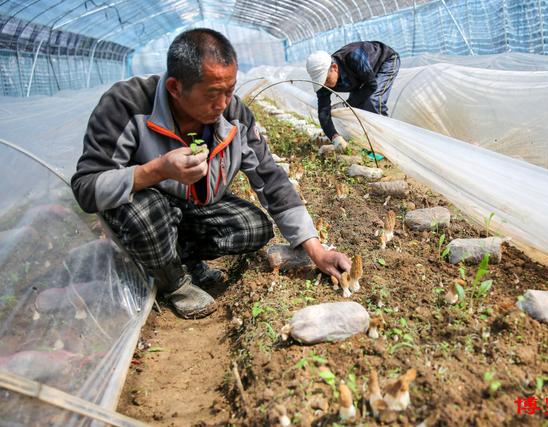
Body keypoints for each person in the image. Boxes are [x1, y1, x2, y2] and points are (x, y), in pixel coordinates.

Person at [72, 28, 351, 319]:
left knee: (253, 227)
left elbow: (270, 178)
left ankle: (184, 259)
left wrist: (316, 250)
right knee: (148, 212)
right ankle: (174, 283)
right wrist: (156, 170)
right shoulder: (127, 104)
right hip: (145, 207)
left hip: (193, 207)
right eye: (212, 94)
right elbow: (86, 188)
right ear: (175, 88)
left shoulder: (234, 115)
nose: (222, 104)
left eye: (229, 90)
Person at [305, 41, 400, 151]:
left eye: (326, 79)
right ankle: (372, 144)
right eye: (321, 82)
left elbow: (371, 86)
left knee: (372, 100)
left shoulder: (354, 57)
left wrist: (348, 103)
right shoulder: (323, 84)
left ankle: (387, 145)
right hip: (361, 76)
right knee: (358, 107)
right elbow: (323, 111)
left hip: (385, 61)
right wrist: (334, 137)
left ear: (334, 68)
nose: (325, 84)